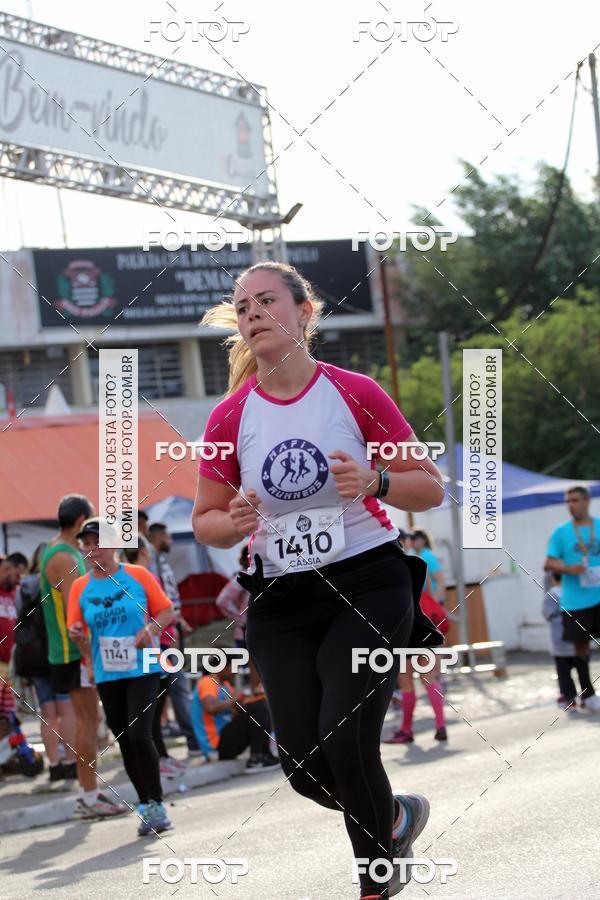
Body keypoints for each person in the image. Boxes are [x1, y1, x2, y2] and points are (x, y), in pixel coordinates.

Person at [192, 261, 445, 900]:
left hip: (367, 579)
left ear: (305, 311)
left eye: (265, 301)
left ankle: (374, 884)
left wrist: (377, 481)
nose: (251, 314)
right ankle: (391, 817)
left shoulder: (354, 393)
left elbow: (431, 488)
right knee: (304, 766)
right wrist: (234, 520)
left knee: (347, 735)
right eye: (242, 306)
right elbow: (205, 523)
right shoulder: (229, 420)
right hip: (280, 596)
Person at [68, 518, 176, 835]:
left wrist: (150, 630)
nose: (91, 549)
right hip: (107, 673)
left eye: (96, 542)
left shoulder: (139, 576)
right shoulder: (79, 588)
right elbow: (81, 639)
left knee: (141, 735)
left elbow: (167, 611)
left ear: (114, 545)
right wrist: (78, 638)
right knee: (126, 741)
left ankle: (156, 803)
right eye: (85, 544)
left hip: (144, 667)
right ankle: (145, 804)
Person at [39, 494, 124, 816]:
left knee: (89, 721)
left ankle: (91, 793)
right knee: (88, 723)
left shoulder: (56, 549)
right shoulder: (63, 556)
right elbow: (85, 601)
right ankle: (89, 797)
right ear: (79, 523)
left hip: (72, 650)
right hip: (73, 651)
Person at [122, 535, 186, 778]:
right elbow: (162, 613)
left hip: (151, 646)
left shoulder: (126, 579)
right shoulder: (146, 577)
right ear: (144, 552)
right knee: (156, 706)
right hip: (159, 646)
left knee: (155, 706)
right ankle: (160, 757)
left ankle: (163, 755)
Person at [14, 543, 78, 782]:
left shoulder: (25, 586)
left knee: (47, 714)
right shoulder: (57, 581)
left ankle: (54, 765)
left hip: (34, 657)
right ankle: (71, 762)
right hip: (59, 652)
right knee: (66, 710)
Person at [544, 486, 600, 712]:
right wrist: (569, 568)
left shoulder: (598, 525)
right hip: (576, 601)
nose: (571, 505)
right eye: (568, 501)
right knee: (580, 648)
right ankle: (588, 694)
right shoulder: (561, 532)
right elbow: (549, 563)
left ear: (587, 501)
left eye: (575, 500)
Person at [147, 522, 199, 755]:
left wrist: (178, 622)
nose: (170, 540)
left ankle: (188, 740)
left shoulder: (160, 562)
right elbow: (160, 604)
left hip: (170, 630)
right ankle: (192, 739)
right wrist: (171, 629)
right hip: (164, 635)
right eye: (167, 536)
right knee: (175, 686)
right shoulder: (149, 567)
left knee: (174, 685)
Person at [191, 659, 278, 772]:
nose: (236, 671)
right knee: (258, 706)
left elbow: (238, 712)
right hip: (216, 746)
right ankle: (256, 757)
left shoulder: (225, 685)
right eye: (233, 667)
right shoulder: (208, 681)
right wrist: (235, 699)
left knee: (260, 702)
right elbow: (210, 708)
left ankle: (264, 753)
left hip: (227, 740)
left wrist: (246, 701)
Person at [543, 572, 594, 710]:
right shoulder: (576, 592)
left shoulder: (552, 594)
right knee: (582, 670)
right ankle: (587, 697)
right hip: (579, 639)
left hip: (560, 642)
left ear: (553, 579)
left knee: (564, 673)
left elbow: (547, 614)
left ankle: (570, 700)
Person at [215, 544, 262, 693]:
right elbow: (222, 600)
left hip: (257, 628)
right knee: (256, 673)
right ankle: (255, 708)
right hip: (248, 631)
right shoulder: (244, 575)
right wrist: (241, 618)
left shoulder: (263, 574)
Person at [408, 530, 446, 604]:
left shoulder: (428, 556)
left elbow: (440, 581)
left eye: (414, 538)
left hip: (432, 599)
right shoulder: (411, 554)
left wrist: (434, 600)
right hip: (422, 600)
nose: (412, 541)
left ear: (423, 540)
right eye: (411, 538)